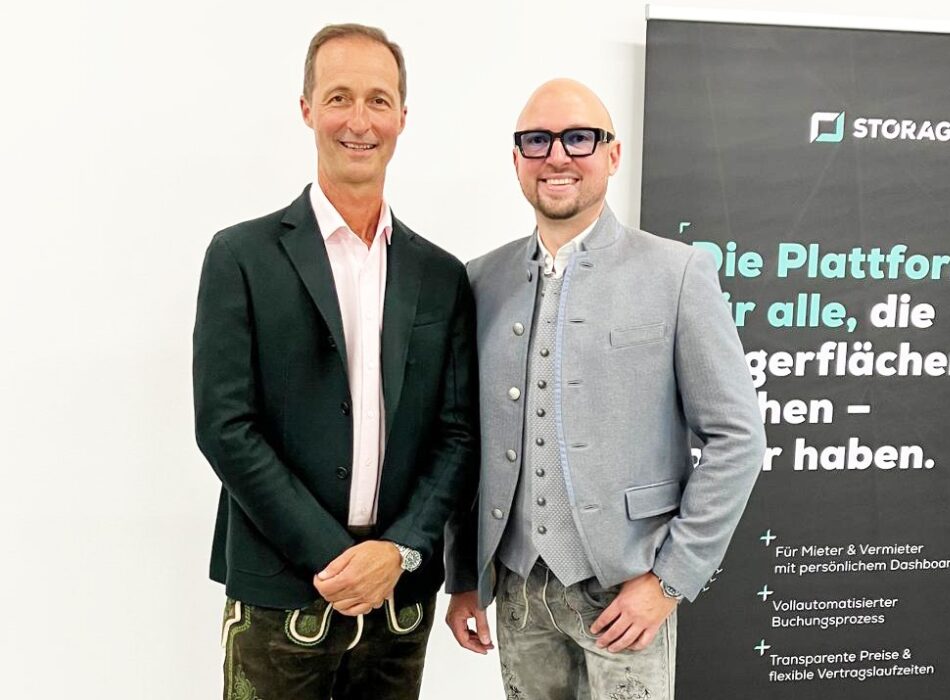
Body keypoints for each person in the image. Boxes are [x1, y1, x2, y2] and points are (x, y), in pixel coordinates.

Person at [444, 78, 765, 699]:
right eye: (537, 141)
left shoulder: (677, 272)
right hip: (516, 591)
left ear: (613, 155)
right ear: (516, 159)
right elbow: (466, 443)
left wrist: (670, 580)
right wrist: (462, 576)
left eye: (579, 139)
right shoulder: (480, 280)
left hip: (627, 591)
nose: (557, 156)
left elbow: (738, 438)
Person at [193, 23, 477, 700]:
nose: (359, 120)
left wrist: (398, 552)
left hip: (398, 602)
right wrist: (336, 556)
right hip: (280, 594)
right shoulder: (240, 257)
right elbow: (225, 427)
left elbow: (459, 434)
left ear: (402, 117)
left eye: (378, 100)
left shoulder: (441, 275)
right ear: (307, 109)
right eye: (339, 97)